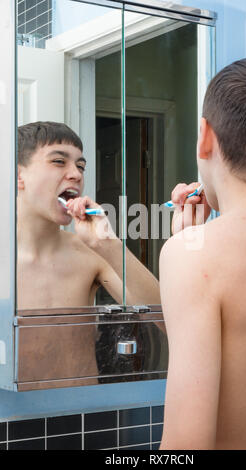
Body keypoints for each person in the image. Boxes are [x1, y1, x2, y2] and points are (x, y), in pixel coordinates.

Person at [159, 56, 246, 450]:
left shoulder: (192, 256)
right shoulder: (195, 252)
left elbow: (186, 447)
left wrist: (189, 251)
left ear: (205, 136)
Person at [17, 121, 160, 387]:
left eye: (81, 166)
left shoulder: (89, 255)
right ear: (17, 175)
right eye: (59, 161)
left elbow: (164, 320)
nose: (76, 174)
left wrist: (109, 245)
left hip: (83, 419)